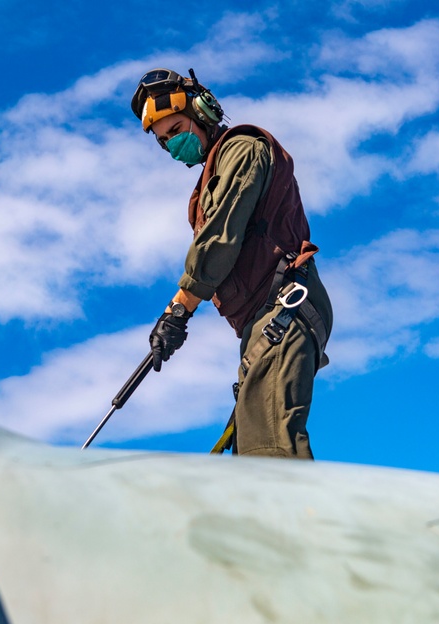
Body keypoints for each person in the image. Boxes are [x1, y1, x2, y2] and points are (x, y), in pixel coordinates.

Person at [130, 68, 333, 459]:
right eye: (165, 141)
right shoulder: (209, 177)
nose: (173, 144)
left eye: (176, 128)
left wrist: (178, 310)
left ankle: (296, 519)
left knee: (271, 450)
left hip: (284, 306)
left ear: (203, 111)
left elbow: (221, 234)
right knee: (249, 452)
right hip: (262, 321)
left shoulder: (241, 148)